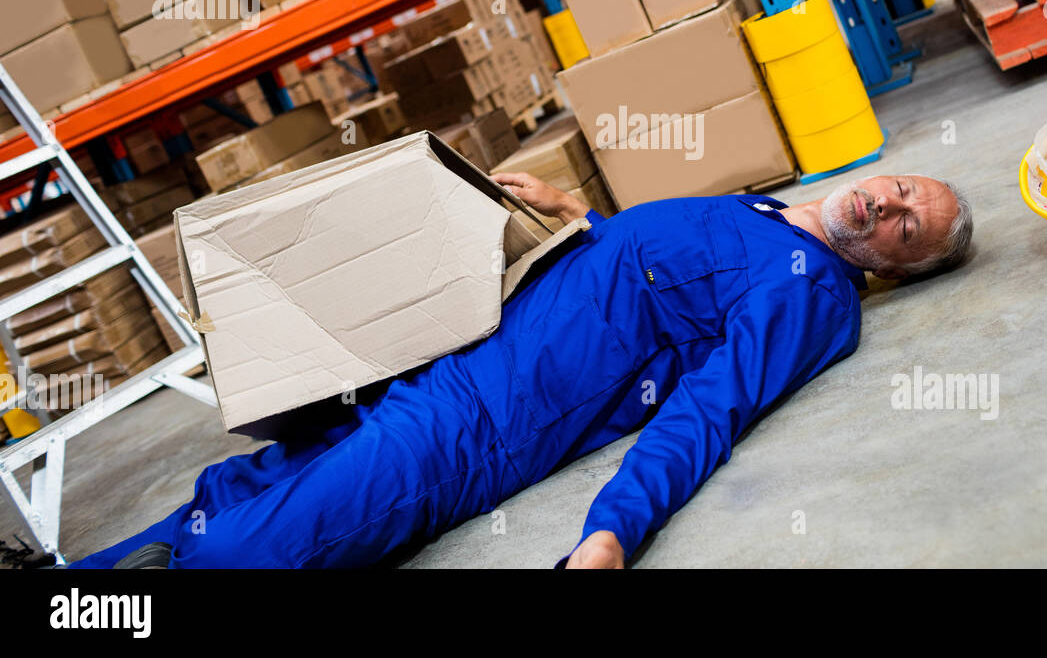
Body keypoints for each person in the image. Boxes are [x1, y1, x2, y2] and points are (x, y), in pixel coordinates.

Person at [69, 171, 972, 569]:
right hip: (430, 368)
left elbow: (708, 411)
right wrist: (578, 215)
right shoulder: (774, 211)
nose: (886, 204)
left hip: (467, 434)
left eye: (906, 226)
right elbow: (661, 282)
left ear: (899, 267)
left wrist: (613, 533)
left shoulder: (809, 291)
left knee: (245, 551)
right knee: (221, 495)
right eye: (903, 189)